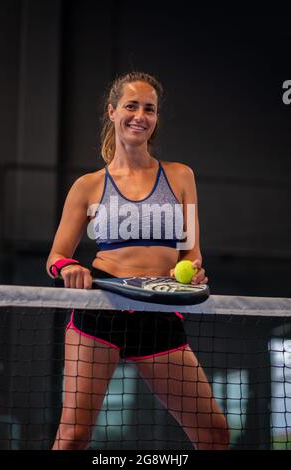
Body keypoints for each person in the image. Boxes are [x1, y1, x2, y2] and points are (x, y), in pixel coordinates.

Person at [46, 71, 230, 450]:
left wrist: (194, 271)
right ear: (112, 111)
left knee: (214, 434)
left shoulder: (180, 176)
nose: (140, 115)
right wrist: (70, 268)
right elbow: (56, 256)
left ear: (156, 118)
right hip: (100, 314)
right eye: (131, 106)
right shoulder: (88, 185)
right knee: (73, 436)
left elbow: (191, 252)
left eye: (150, 109)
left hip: (160, 315)